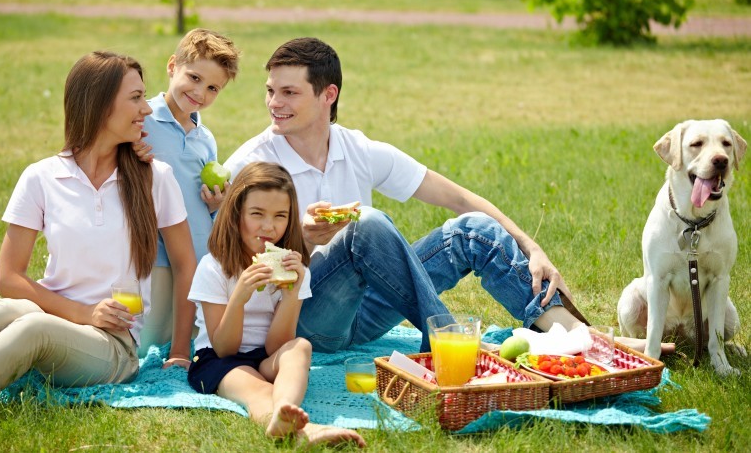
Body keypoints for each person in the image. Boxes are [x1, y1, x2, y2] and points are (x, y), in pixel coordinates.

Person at [224, 37, 661, 355]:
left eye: (288, 92)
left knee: (472, 232)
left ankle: (577, 336)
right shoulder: (252, 163)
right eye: (270, 91)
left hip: (368, 310)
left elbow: (460, 199)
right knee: (368, 226)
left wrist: (533, 247)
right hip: (304, 320)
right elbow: (225, 251)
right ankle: (451, 343)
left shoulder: (357, 149)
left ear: (328, 95)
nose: (273, 103)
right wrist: (302, 239)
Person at [0, 51, 197, 412]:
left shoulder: (155, 178)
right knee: (6, 310)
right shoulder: (41, 177)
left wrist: (180, 352)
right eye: (135, 98)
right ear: (100, 105)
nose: (146, 109)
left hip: (113, 345)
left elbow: (185, 264)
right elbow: (9, 278)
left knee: (31, 328)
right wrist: (84, 313)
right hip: (52, 317)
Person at [186, 162, 365, 447]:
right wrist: (240, 296)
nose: (269, 227)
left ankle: (285, 408)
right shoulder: (214, 267)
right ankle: (304, 431)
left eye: (280, 216)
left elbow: (276, 346)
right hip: (217, 359)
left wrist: (293, 293)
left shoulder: (295, 269)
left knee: (301, 347)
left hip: (264, 356)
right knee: (256, 389)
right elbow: (224, 348)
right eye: (257, 214)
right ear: (236, 214)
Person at [134, 28, 240, 358]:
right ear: (172, 66)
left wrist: (216, 203)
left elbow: (205, 201)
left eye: (212, 88)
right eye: (193, 77)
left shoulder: (205, 139)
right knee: (149, 340)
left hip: (202, 255)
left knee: (201, 336)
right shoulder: (142, 121)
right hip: (158, 256)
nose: (200, 92)